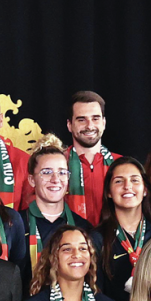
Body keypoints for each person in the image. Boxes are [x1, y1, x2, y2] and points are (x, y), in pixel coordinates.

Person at [22, 143, 100, 285]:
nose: (55, 179)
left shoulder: (83, 227)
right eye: (46, 172)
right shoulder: (16, 224)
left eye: (62, 172)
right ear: (32, 180)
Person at [99, 155, 151, 296]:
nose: (127, 186)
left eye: (135, 180)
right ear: (108, 192)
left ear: (145, 190)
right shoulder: (96, 239)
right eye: (119, 181)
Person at [60, 92, 119, 221]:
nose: (90, 126)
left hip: (114, 238)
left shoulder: (121, 165)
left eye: (95, 119)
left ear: (103, 122)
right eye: (81, 120)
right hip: (70, 237)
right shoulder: (57, 165)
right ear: (69, 125)